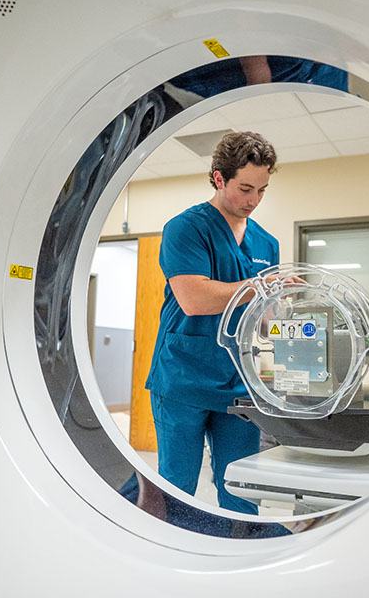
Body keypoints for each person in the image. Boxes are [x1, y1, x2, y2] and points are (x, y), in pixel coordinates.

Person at [145, 131, 280, 514]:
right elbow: (194, 299)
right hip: (183, 378)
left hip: (239, 385)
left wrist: (287, 319)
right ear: (219, 178)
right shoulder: (185, 228)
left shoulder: (266, 243)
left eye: (263, 190)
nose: (253, 200)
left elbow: (263, 315)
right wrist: (260, 286)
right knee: (178, 486)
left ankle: (240, 561)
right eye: (245, 188)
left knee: (241, 487)